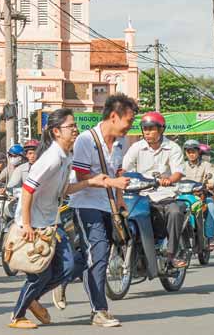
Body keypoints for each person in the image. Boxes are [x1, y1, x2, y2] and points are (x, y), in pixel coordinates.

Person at [8, 109, 127, 329]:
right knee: (40, 273)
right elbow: (27, 190)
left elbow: (65, 190)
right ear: (56, 132)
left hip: (51, 222)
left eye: (75, 126)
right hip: (35, 223)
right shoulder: (52, 158)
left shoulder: (66, 157)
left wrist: (93, 182)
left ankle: (32, 299)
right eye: (70, 126)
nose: (75, 130)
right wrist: (26, 224)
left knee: (68, 266)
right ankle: (17, 315)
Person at [70, 93, 136, 328]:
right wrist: (113, 184)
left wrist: (120, 199)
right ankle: (99, 310)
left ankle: (58, 275)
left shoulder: (121, 142)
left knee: (96, 254)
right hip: (85, 203)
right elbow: (81, 174)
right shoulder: (86, 140)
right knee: (98, 254)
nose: (130, 126)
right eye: (128, 121)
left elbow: (118, 171)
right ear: (114, 116)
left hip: (108, 205)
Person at [121, 111, 188, 268]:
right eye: (145, 129)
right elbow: (124, 169)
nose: (148, 132)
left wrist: (169, 180)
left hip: (165, 194)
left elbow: (178, 172)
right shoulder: (136, 147)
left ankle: (172, 254)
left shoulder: (173, 148)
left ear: (161, 130)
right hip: (140, 194)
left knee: (175, 212)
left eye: (151, 129)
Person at [180, 139, 214, 247]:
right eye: (188, 152)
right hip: (184, 197)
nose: (191, 154)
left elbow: (212, 180)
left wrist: (209, 184)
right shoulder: (181, 166)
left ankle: (210, 237)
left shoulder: (206, 165)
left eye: (193, 151)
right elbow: (175, 178)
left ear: (198, 152)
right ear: (186, 153)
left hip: (202, 196)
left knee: (211, 207)